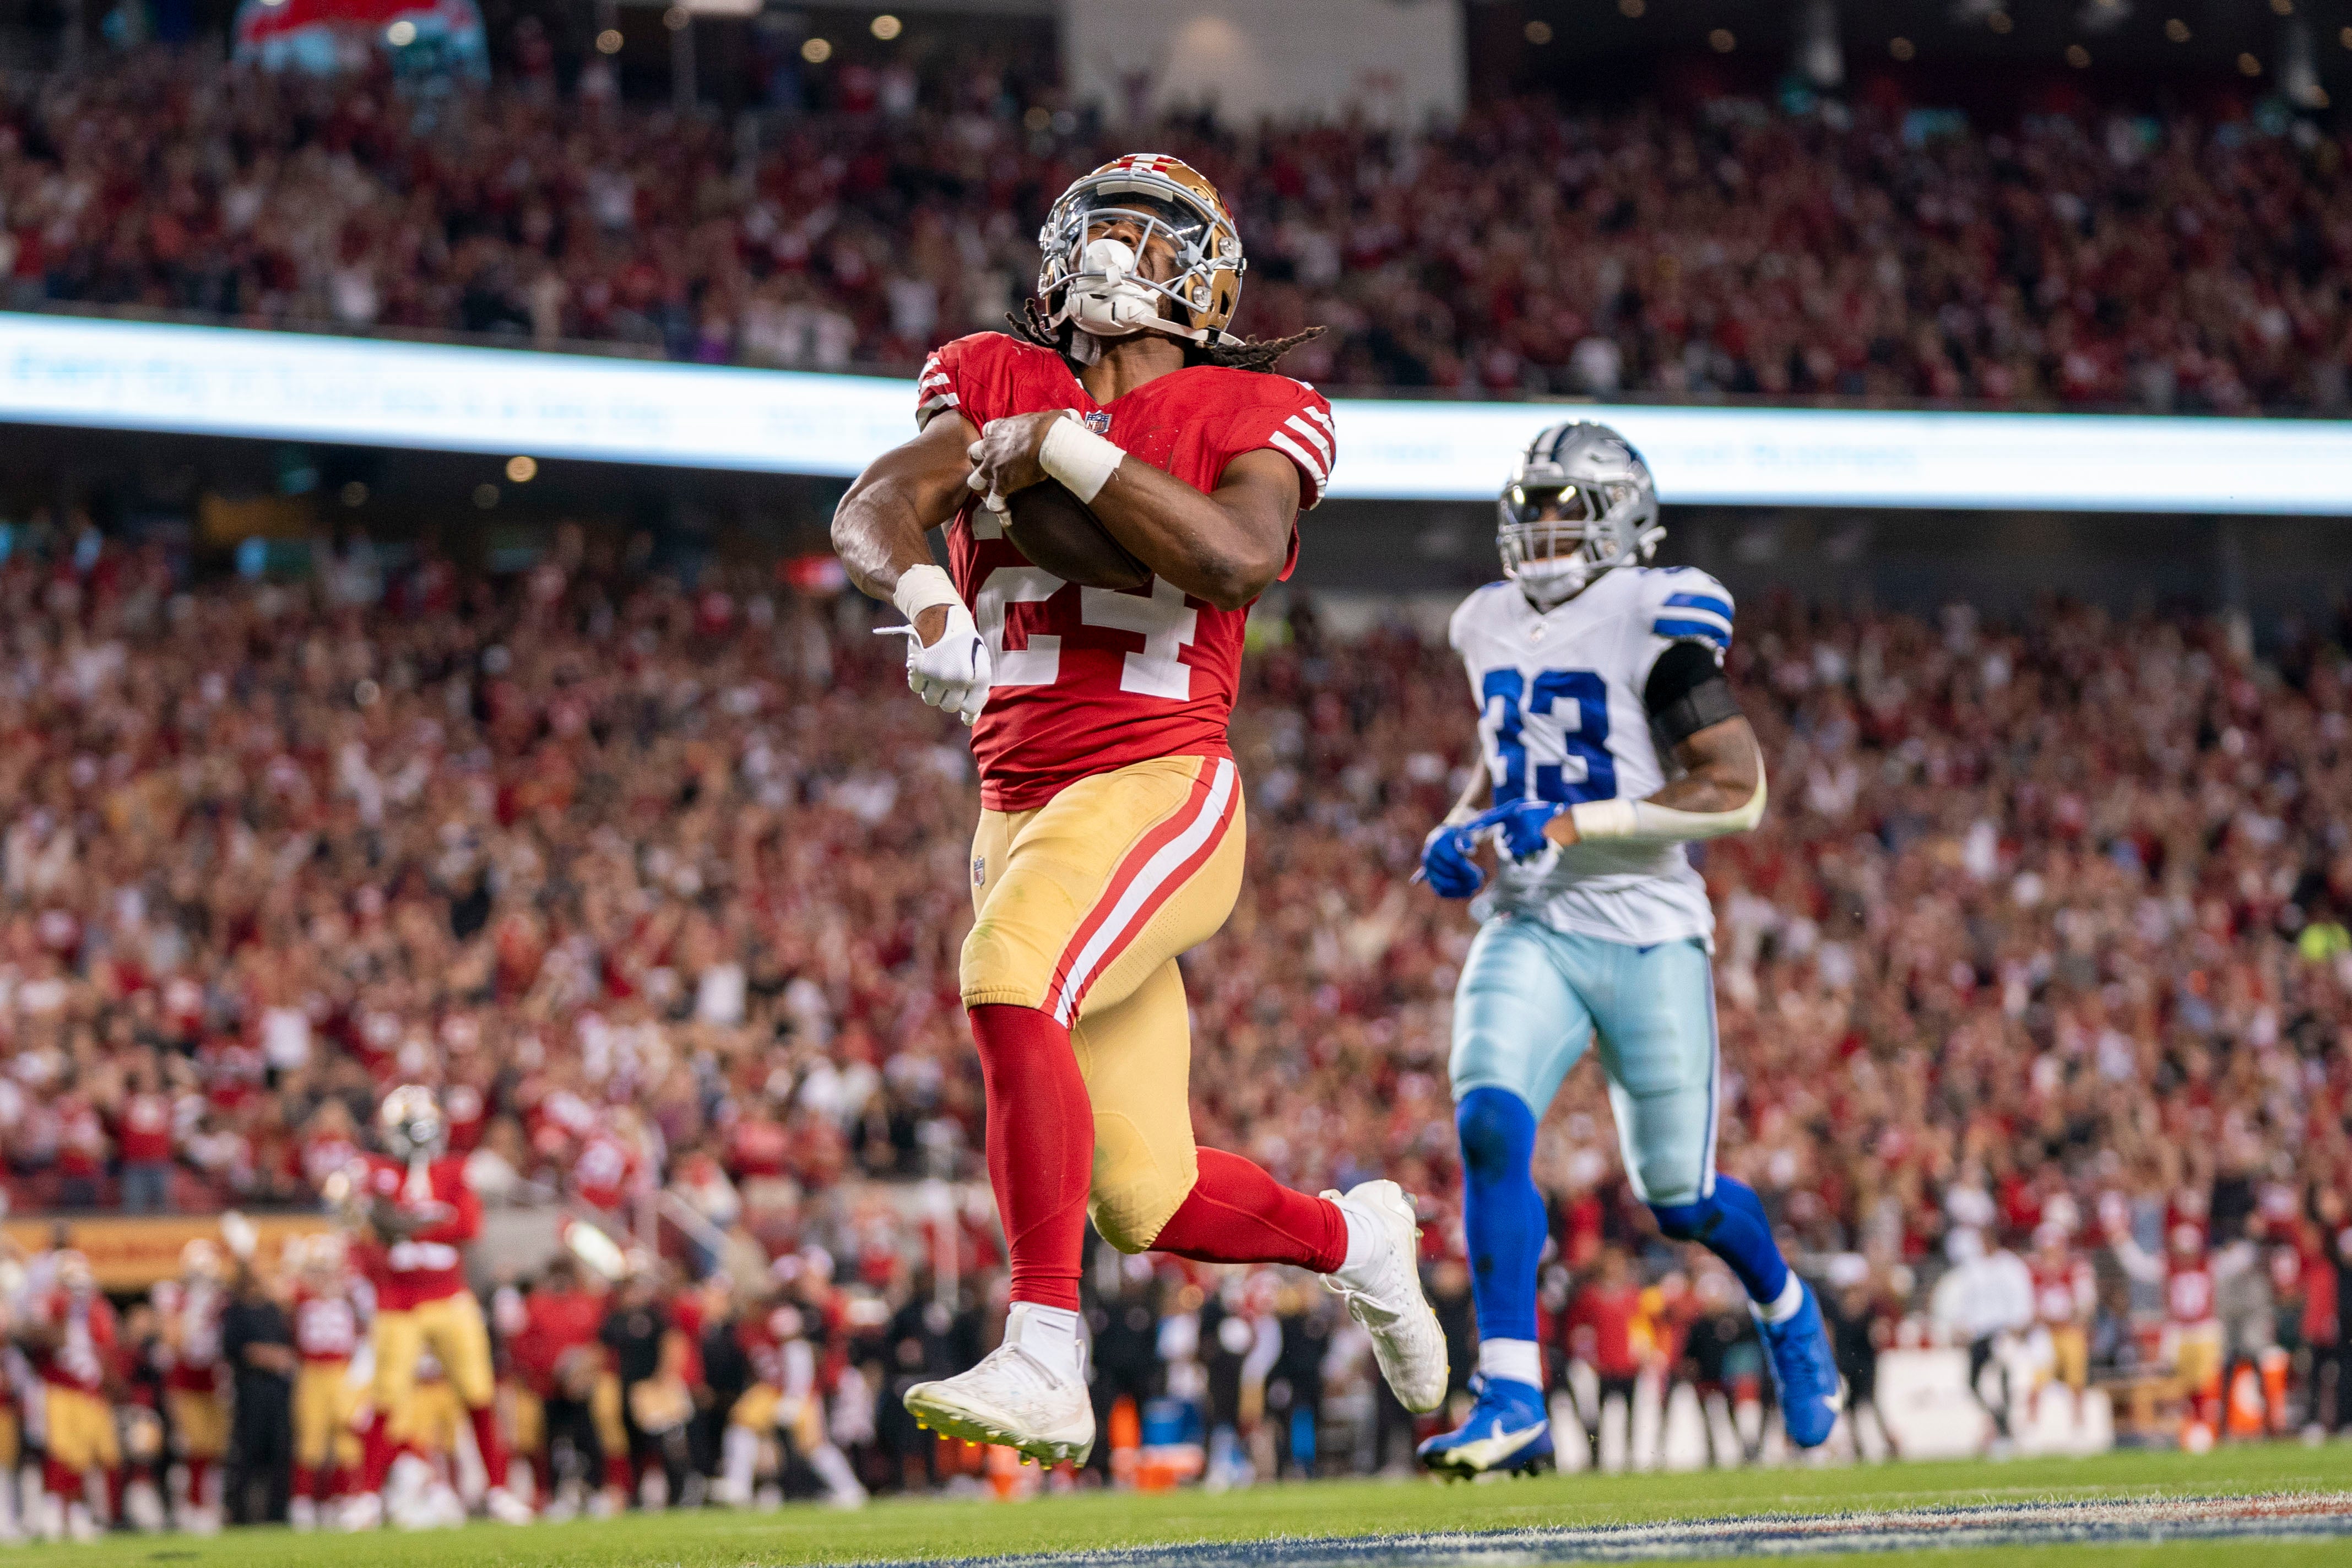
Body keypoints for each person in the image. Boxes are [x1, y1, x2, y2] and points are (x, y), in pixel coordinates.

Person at [830, 150, 1444, 1465]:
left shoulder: (1254, 404)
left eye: (1155, 239)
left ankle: (1047, 1347)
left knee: (1007, 971)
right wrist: (929, 597)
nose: (1121, 256)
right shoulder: (991, 373)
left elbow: (1231, 560)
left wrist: (1061, 457)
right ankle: (1359, 1238)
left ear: (1209, 281)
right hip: (1018, 803)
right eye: (1100, 231)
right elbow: (879, 500)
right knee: (1143, 1192)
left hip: (1159, 781)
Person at [1415, 424, 1839, 1478]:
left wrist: (1573, 824)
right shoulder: (1484, 621)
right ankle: (1512, 1390)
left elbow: (1733, 789)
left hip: (1649, 929)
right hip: (1534, 922)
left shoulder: (1657, 612)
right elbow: (1504, 761)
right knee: (1487, 1122)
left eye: (1566, 507)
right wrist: (1459, 824)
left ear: (1621, 519)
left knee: (1680, 1200)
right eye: (1532, 505)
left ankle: (1786, 1304)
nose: (1542, 527)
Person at [338, 1086, 532, 1527]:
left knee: (478, 1393)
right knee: (385, 1399)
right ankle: (367, 1495)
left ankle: (498, 1490)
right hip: (398, 1300)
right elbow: (367, 1226)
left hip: (448, 1295)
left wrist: (405, 1226)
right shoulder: (376, 1170)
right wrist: (426, 1219)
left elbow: (467, 1225)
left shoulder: (454, 1169)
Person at [219, 1253, 295, 1525]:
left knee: (280, 1452)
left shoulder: (273, 1309)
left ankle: (278, 1514)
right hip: (251, 1391)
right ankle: (239, 1515)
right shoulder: (236, 1310)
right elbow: (237, 1349)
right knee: (247, 1453)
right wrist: (272, 1358)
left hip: (278, 1392)